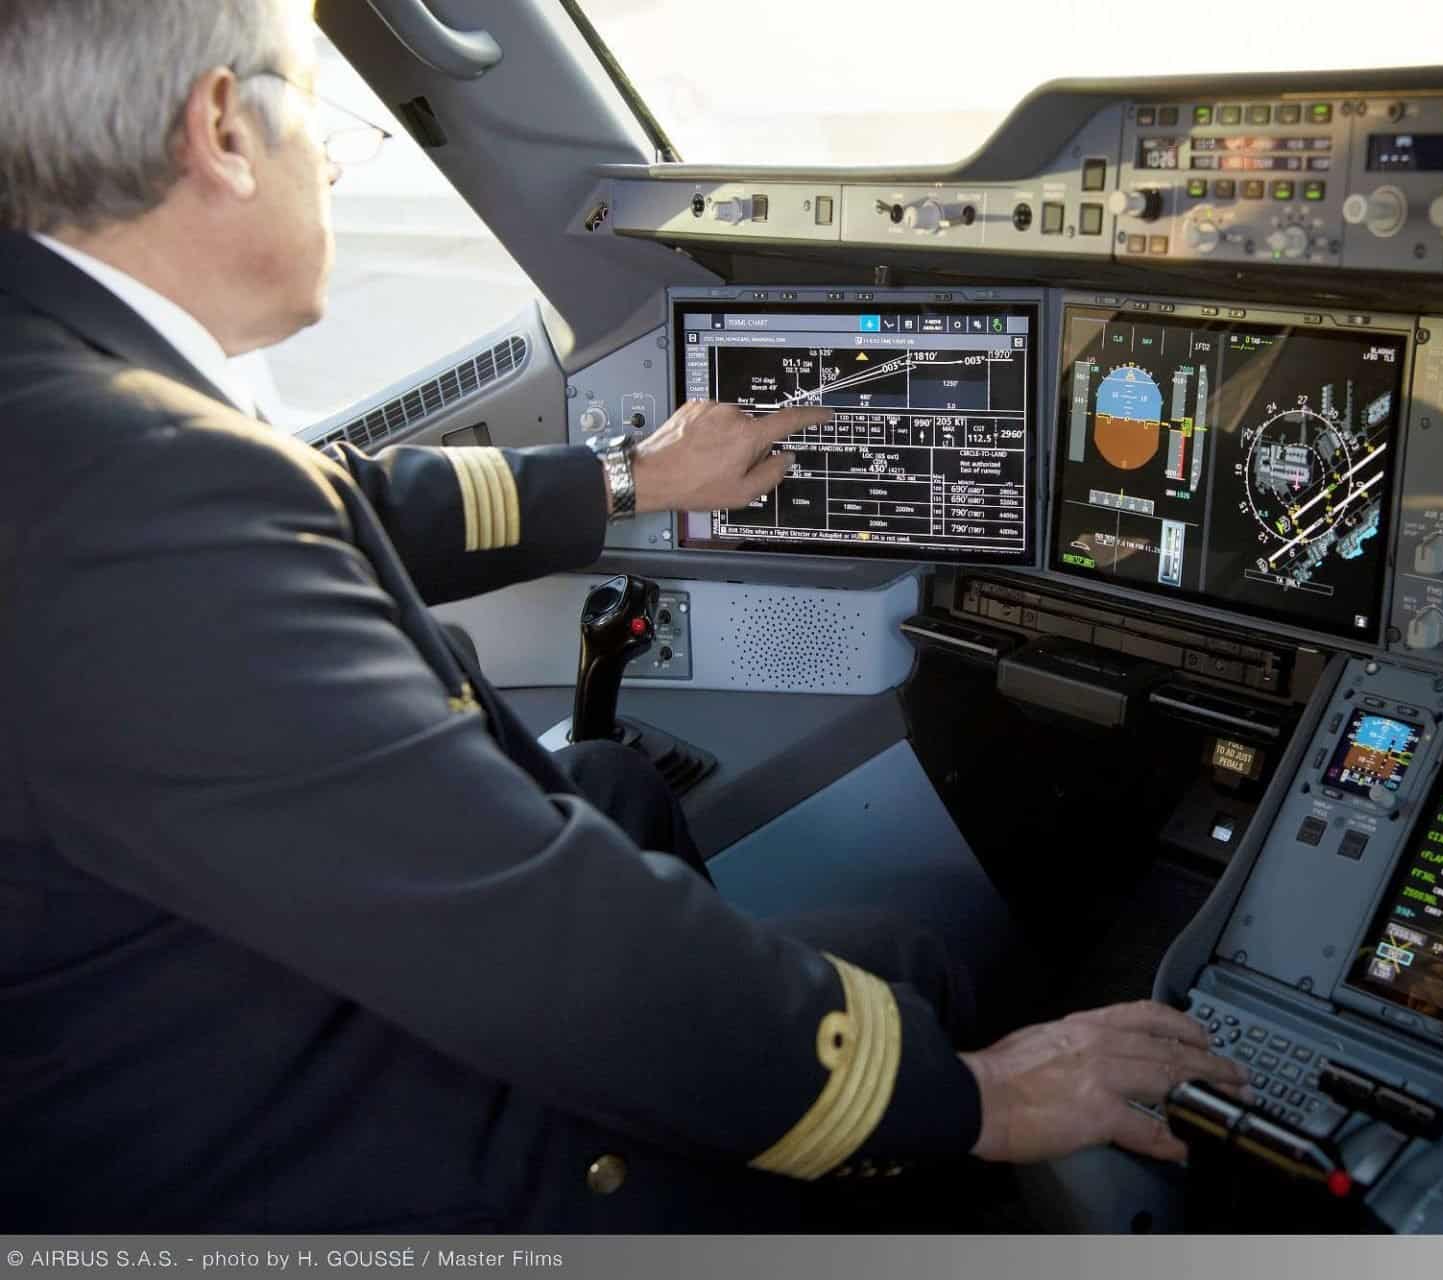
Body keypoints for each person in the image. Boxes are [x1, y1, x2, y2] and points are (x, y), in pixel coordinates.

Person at [0, 0, 1248, 1231]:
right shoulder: (135, 489)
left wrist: (632, 476)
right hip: (280, 1174)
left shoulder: (65, 401)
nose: (326, 160)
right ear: (220, 128)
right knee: (903, 966)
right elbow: (533, 940)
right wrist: (973, 1094)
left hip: (145, 1046)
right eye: (319, 119)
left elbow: (349, 501)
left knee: (610, 780)